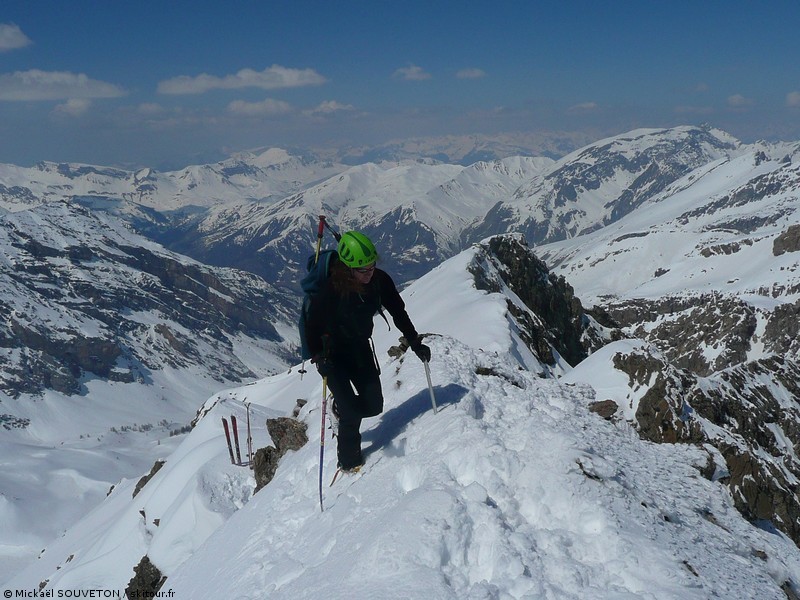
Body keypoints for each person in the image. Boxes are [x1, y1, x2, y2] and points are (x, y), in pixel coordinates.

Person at [304, 231, 431, 472]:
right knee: (352, 412)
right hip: (333, 357)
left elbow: (398, 312)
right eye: (363, 270)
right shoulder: (331, 289)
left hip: (360, 348)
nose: (369, 273)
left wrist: (415, 342)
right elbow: (313, 324)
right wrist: (319, 357)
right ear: (348, 268)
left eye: (372, 266)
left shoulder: (379, 281)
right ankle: (349, 462)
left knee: (374, 406)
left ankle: (339, 409)